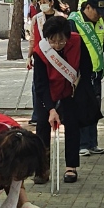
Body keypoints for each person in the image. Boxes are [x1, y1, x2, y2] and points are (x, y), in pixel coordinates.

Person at [33, 14, 92, 184]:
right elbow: (40, 84)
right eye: (53, 41)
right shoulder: (41, 51)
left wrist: (80, 88)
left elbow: (86, 68)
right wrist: (51, 109)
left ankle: (71, 166)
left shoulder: (77, 42)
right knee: (43, 127)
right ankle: (42, 168)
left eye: (61, 41)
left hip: (70, 91)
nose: (57, 45)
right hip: (47, 92)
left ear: (68, 36)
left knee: (72, 126)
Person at [69, 0, 104, 157]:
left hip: (96, 73)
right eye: (97, 11)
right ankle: (81, 144)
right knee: (81, 109)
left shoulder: (99, 21)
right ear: (87, 7)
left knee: (94, 109)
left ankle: (93, 143)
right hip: (80, 74)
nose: (99, 15)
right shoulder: (74, 22)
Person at [26, 0, 60, 128]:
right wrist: (29, 56)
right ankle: (37, 114)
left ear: (51, 2)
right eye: (40, 3)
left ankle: (56, 109)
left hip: (57, 56)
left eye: (44, 2)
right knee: (37, 85)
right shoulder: (37, 18)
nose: (42, 5)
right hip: (40, 55)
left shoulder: (61, 17)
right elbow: (32, 39)